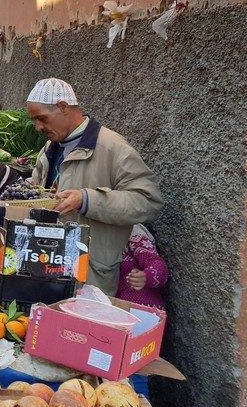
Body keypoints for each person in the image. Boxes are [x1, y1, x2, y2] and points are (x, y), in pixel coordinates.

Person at [26, 78, 162, 293]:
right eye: (34, 120)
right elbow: (36, 191)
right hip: (47, 265)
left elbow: (148, 201)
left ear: (63, 108)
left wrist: (88, 200)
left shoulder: (112, 147)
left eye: (41, 118)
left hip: (91, 276)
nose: (37, 127)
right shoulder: (49, 148)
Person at [115, 224, 168, 310]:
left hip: (139, 302)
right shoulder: (90, 232)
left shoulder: (132, 232)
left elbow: (158, 265)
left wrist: (146, 276)